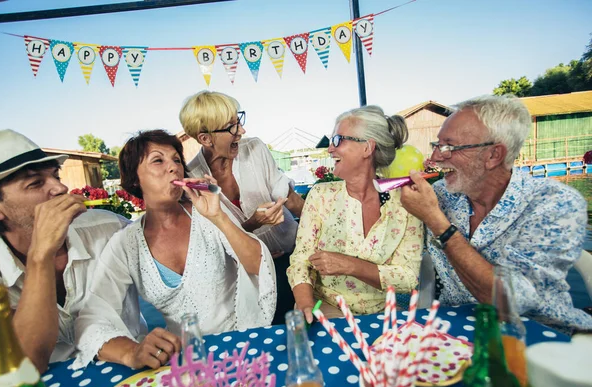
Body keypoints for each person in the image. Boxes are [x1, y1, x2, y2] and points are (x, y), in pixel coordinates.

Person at [74, 130, 276, 370]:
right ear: (135, 178)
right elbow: (92, 318)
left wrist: (218, 217)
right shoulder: (125, 244)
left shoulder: (207, 214)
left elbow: (258, 266)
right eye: (158, 160)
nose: (173, 168)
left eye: (177, 160)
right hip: (183, 363)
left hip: (240, 345)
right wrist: (132, 352)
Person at [400, 94, 592, 333]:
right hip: (453, 329)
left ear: (493, 155)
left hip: (533, 340)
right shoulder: (439, 194)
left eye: (448, 147)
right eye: (436, 145)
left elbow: (507, 302)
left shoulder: (555, 204)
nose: (436, 158)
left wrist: (436, 221)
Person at [0, 129, 133, 373]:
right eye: (36, 183)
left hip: (133, 372)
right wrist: (41, 255)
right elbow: (28, 363)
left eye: (55, 175)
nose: (60, 187)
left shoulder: (109, 228)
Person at [287, 106, 424, 322]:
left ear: (367, 148)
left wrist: (350, 265)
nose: (329, 150)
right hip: (326, 307)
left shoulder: (405, 203)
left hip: (381, 316)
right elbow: (301, 262)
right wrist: (307, 306)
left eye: (338, 140)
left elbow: (408, 278)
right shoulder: (321, 195)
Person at [180, 91, 304, 325]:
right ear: (205, 139)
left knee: (307, 329)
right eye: (231, 127)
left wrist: (322, 232)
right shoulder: (193, 178)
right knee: (270, 337)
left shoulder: (255, 149)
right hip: (251, 277)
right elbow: (218, 241)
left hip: (295, 257)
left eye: (239, 121)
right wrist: (254, 224)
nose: (241, 131)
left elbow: (291, 199)